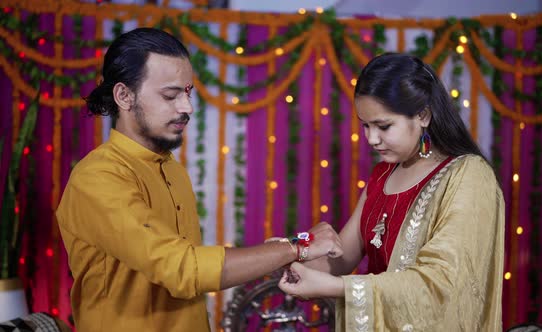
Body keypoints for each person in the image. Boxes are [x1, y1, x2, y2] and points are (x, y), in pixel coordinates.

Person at [56, 28, 342, 332]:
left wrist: (278, 253)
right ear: (124, 96)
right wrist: (297, 246)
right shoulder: (98, 177)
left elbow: (190, 271)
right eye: (170, 95)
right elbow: (182, 270)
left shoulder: (171, 169)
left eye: (188, 92)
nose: (187, 107)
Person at [278, 53, 505, 331]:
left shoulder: (468, 176)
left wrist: (339, 288)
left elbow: (442, 284)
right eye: (365, 126)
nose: (372, 139)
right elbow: (342, 258)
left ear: (423, 115)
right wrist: (288, 254)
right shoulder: (382, 175)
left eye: (383, 126)